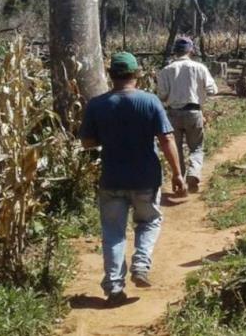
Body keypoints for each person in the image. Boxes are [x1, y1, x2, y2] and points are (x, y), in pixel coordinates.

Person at [80, 52, 187, 306]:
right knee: (149, 221)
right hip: (145, 178)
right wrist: (177, 173)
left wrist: (108, 136)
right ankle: (141, 264)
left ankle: (114, 286)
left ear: (111, 75)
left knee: (113, 232)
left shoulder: (96, 105)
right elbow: (166, 138)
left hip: (112, 179)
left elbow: (86, 142)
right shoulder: (149, 102)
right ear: (137, 74)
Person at [156, 37, 218, 193]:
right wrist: (199, 92)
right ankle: (194, 173)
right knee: (196, 147)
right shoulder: (200, 68)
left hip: (172, 114)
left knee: (175, 149)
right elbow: (213, 90)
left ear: (175, 51)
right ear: (190, 50)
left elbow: (162, 95)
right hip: (194, 112)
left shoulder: (166, 70)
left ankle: (180, 180)